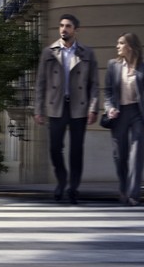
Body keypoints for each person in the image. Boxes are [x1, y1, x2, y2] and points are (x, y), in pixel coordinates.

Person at [34, 14, 98, 204]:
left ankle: (73, 188)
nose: (64, 29)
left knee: (76, 150)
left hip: (79, 106)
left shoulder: (87, 53)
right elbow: (40, 84)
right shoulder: (49, 52)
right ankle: (62, 181)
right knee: (55, 148)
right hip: (56, 106)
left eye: (68, 26)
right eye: (61, 25)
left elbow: (94, 84)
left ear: (76, 30)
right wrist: (38, 109)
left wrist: (93, 108)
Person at [104, 32, 144, 206]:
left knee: (136, 155)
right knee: (119, 155)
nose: (117, 46)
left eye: (120, 43)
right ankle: (123, 188)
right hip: (119, 113)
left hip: (138, 114)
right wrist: (110, 108)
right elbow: (108, 92)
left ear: (129, 46)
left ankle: (134, 194)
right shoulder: (113, 66)